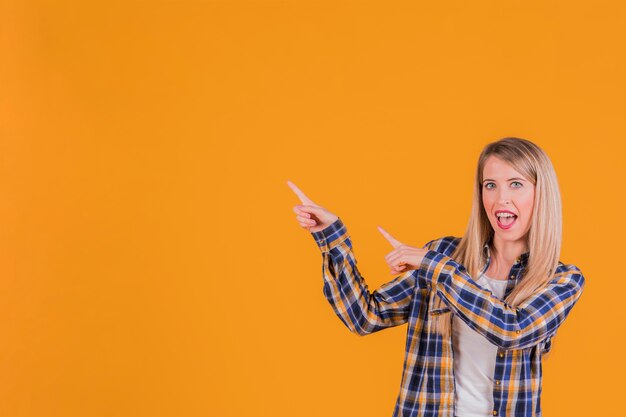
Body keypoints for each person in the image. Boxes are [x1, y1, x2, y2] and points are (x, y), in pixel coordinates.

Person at [287, 137, 585, 417]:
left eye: (516, 184)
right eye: (490, 185)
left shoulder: (561, 280)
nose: (501, 198)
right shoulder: (445, 254)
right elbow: (365, 316)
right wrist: (332, 237)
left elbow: (512, 331)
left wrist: (436, 267)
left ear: (540, 193)